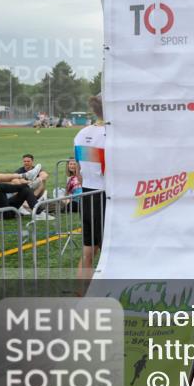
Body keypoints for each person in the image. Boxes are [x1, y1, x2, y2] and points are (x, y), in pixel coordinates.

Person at [74, 94, 107, 281]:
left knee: (88, 250)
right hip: (105, 194)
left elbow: (78, 172)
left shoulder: (81, 133)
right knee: (108, 251)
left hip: (87, 193)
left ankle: (81, 292)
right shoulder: (110, 134)